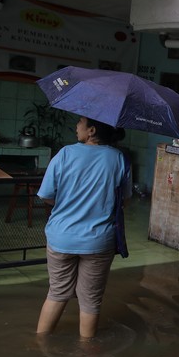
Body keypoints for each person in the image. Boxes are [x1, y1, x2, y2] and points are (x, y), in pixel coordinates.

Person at [35, 116, 132, 339]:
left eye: (80, 122)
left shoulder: (65, 154)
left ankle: (39, 344)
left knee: (57, 292)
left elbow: (47, 196)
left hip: (61, 237)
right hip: (99, 241)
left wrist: (68, 201)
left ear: (91, 130)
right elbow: (124, 202)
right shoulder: (120, 159)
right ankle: (87, 353)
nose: (76, 126)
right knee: (91, 299)